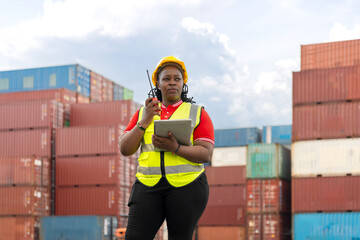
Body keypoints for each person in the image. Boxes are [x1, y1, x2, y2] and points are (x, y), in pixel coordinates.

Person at [118, 56, 215, 240]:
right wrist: (145, 121)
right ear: (158, 83)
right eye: (166, 79)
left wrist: (176, 148)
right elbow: (125, 149)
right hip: (147, 185)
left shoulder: (198, 113)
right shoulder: (142, 112)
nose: (172, 83)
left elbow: (205, 153)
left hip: (187, 187)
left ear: (183, 84)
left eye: (177, 79)